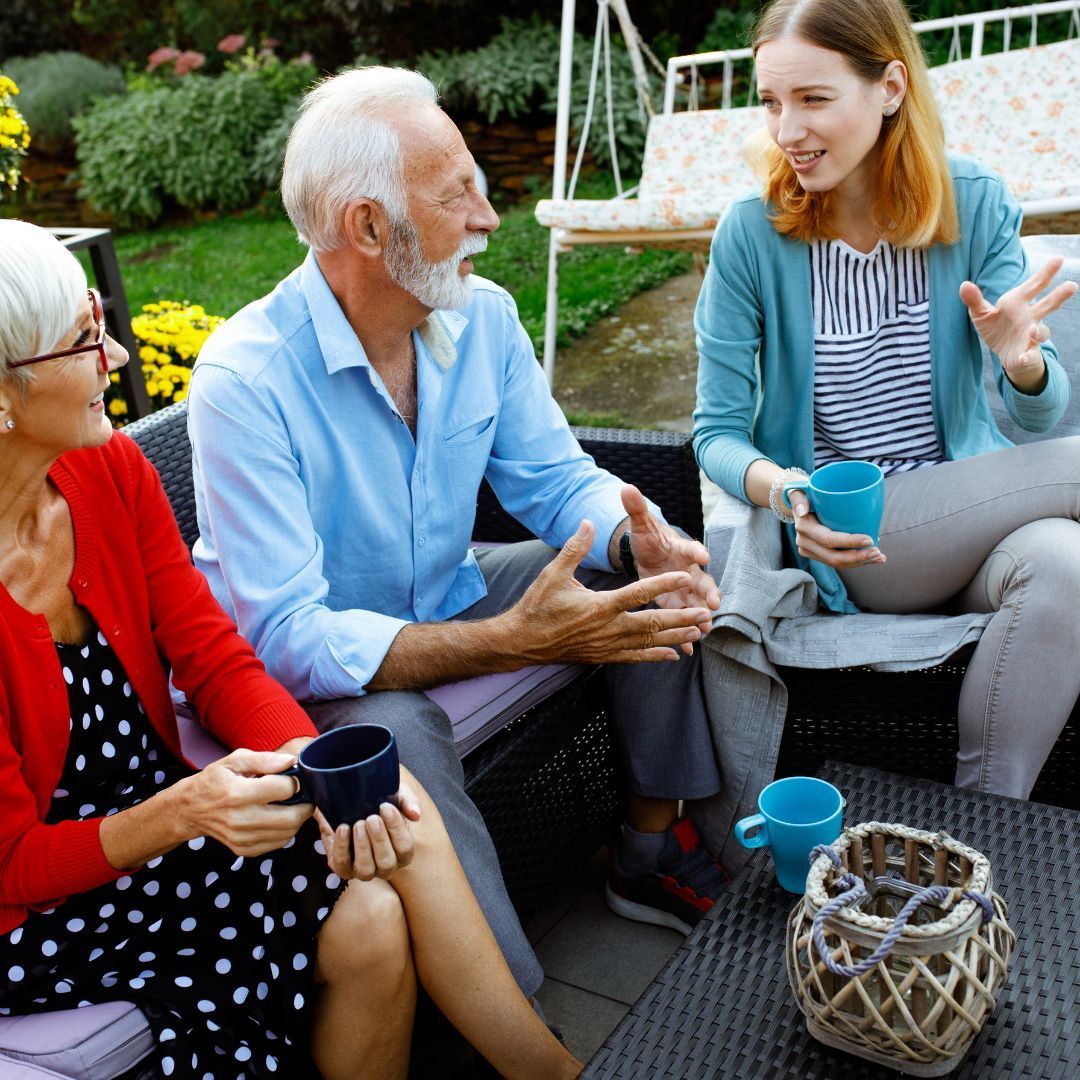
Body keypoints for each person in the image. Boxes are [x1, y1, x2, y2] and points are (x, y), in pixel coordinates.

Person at [186, 66, 728, 998]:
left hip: (449, 589)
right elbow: (286, 634)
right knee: (395, 737)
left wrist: (640, 544)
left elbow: (555, 479)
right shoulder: (244, 382)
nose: (489, 216)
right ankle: (513, 1006)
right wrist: (509, 640)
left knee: (643, 589)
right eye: (457, 195)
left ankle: (647, 846)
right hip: (313, 668)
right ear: (368, 227)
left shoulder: (482, 318)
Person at [0, 220, 581, 1080]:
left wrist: (312, 762)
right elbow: (16, 861)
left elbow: (214, 656)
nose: (116, 355)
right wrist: (186, 812)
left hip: (163, 821)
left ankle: (544, 1070)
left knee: (379, 868)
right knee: (364, 875)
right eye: (85, 341)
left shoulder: (112, 473)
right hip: (37, 902)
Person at [694, 0, 1079, 799]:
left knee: (1066, 567)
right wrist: (787, 492)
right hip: (855, 535)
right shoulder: (751, 234)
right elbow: (717, 434)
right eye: (771, 101)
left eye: (813, 99)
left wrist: (1024, 366)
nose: (786, 129)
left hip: (973, 520)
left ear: (890, 87)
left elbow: (1039, 412)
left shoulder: (972, 202)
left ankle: (980, 829)